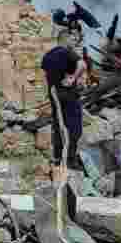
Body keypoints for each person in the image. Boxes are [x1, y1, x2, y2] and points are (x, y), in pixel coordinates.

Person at [41, 46, 87, 174]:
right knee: (74, 128)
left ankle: (58, 158)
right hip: (67, 94)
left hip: (55, 94)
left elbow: (46, 74)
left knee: (58, 126)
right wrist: (73, 78)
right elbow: (82, 65)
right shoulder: (67, 53)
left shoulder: (48, 56)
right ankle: (69, 160)